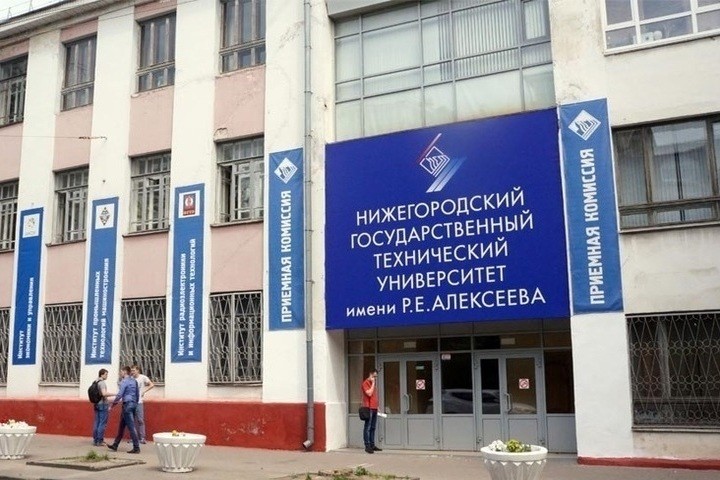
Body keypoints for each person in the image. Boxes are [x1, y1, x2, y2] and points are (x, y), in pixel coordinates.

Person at [107, 365, 141, 453]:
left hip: (127, 405)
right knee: (121, 426)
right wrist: (135, 403)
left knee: (131, 427)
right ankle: (115, 445)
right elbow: (137, 394)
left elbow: (119, 395)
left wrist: (112, 405)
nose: (120, 373)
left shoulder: (124, 381)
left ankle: (136, 447)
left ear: (125, 372)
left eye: (121, 371)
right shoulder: (134, 381)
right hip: (133, 404)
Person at [131, 364, 154, 444]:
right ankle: (134, 438)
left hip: (139, 402)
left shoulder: (143, 377)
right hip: (131, 402)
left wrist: (144, 391)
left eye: (134, 370)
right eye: (131, 370)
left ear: (138, 370)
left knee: (140, 420)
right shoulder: (131, 378)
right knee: (132, 421)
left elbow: (152, 385)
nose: (132, 372)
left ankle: (142, 438)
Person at [361, 368, 382, 454]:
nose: (375, 378)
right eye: (374, 376)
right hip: (368, 408)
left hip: (374, 408)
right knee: (368, 427)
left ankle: (372, 445)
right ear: (370, 374)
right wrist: (373, 383)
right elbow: (369, 393)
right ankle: (367, 446)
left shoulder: (373, 384)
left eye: (376, 377)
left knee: (373, 427)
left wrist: (377, 406)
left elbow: (374, 396)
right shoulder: (365, 383)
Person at [91, 368, 114, 447]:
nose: (107, 376)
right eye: (106, 374)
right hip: (103, 404)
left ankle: (95, 440)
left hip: (97, 404)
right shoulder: (102, 383)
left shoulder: (95, 382)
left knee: (97, 422)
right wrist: (115, 394)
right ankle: (100, 440)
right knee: (102, 423)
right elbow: (104, 394)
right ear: (102, 374)